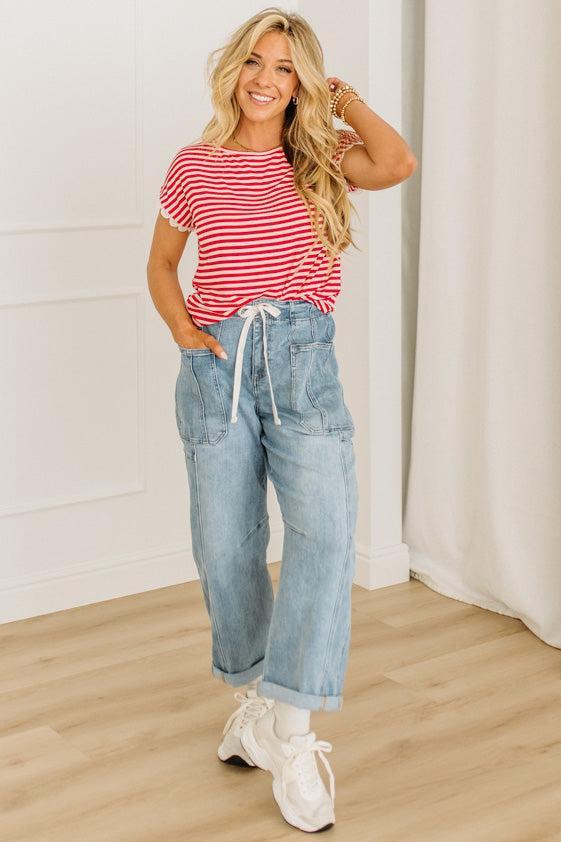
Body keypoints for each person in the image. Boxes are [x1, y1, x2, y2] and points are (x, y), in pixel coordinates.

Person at [146, 7, 417, 834]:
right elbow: (162, 262)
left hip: (301, 360)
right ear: (232, 69)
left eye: (285, 67)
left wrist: (342, 96)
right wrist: (184, 331)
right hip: (216, 363)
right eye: (255, 63)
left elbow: (397, 162)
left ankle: (290, 733)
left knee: (326, 534)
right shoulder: (194, 165)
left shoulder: (323, 156)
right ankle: (252, 704)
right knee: (223, 543)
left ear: (302, 82)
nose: (265, 80)